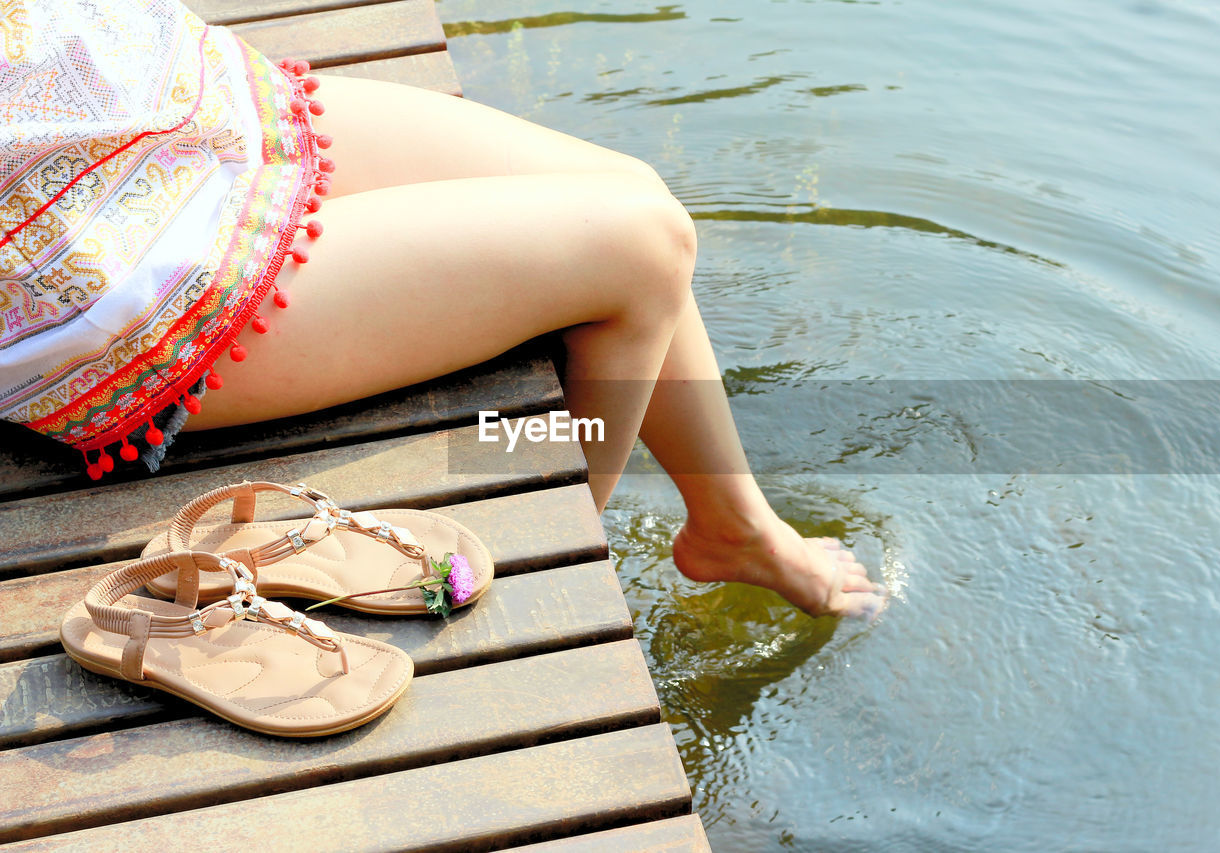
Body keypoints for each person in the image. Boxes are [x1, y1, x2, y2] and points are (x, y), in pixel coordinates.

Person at [1, 1, 884, 619]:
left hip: (161, 115)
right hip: (116, 274)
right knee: (643, 250)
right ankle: (562, 565)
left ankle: (734, 526)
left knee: (629, 191)